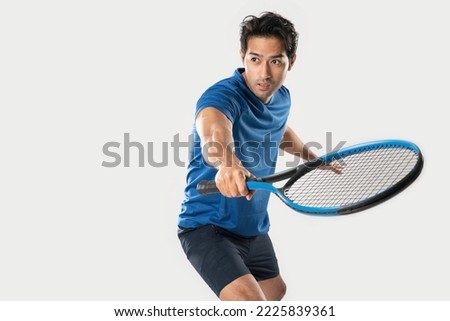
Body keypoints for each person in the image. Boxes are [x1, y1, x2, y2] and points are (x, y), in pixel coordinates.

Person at [178, 11, 321, 301]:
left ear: (290, 61)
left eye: (275, 61)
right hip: (208, 226)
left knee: (275, 292)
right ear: (242, 56)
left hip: (253, 229)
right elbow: (214, 131)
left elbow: (277, 129)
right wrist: (229, 165)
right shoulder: (222, 96)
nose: (264, 73)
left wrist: (309, 156)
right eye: (255, 59)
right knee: (251, 305)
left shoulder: (281, 98)